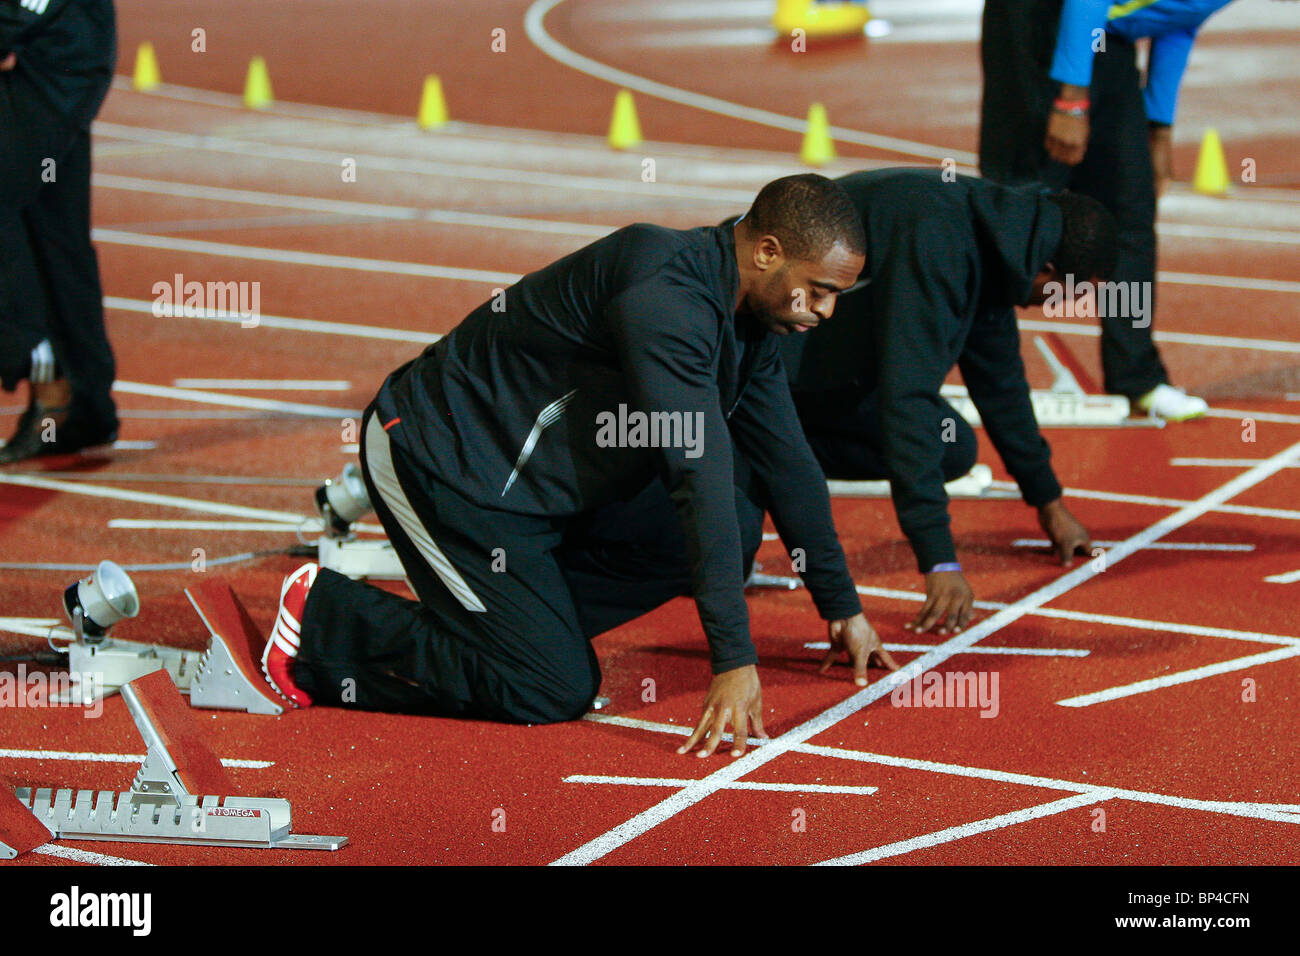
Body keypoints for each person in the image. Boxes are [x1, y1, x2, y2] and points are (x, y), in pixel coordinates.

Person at [261, 174, 898, 758]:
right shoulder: (666, 298)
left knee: (734, 516)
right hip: (443, 461)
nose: (826, 311)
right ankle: (327, 617)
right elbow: (695, 474)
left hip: (539, 491)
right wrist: (732, 660)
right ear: (767, 253)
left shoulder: (750, 316)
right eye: (818, 291)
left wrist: (841, 606)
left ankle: (517, 624)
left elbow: (785, 458)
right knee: (548, 687)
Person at [780, 168, 1113, 635]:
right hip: (760, 349)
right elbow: (907, 397)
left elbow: (1001, 384)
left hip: (826, 363)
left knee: (951, 448)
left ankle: (768, 451)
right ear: (1048, 272)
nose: (1060, 305)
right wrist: (938, 561)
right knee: (699, 560)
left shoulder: (1001, 241)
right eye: (1071, 293)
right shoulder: (939, 239)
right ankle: (753, 447)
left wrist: (1047, 500)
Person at [979, 0, 1236, 422]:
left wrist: (1159, 127)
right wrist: (1071, 101)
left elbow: (1179, 21)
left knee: (1131, 212)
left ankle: (1136, 378)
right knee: (1019, 209)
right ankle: (936, 367)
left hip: (1105, 38)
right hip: (1036, 23)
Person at [0, 0, 120, 463]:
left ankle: (51, 382)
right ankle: (80, 410)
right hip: (59, 63)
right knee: (58, 237)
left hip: (57, 69)